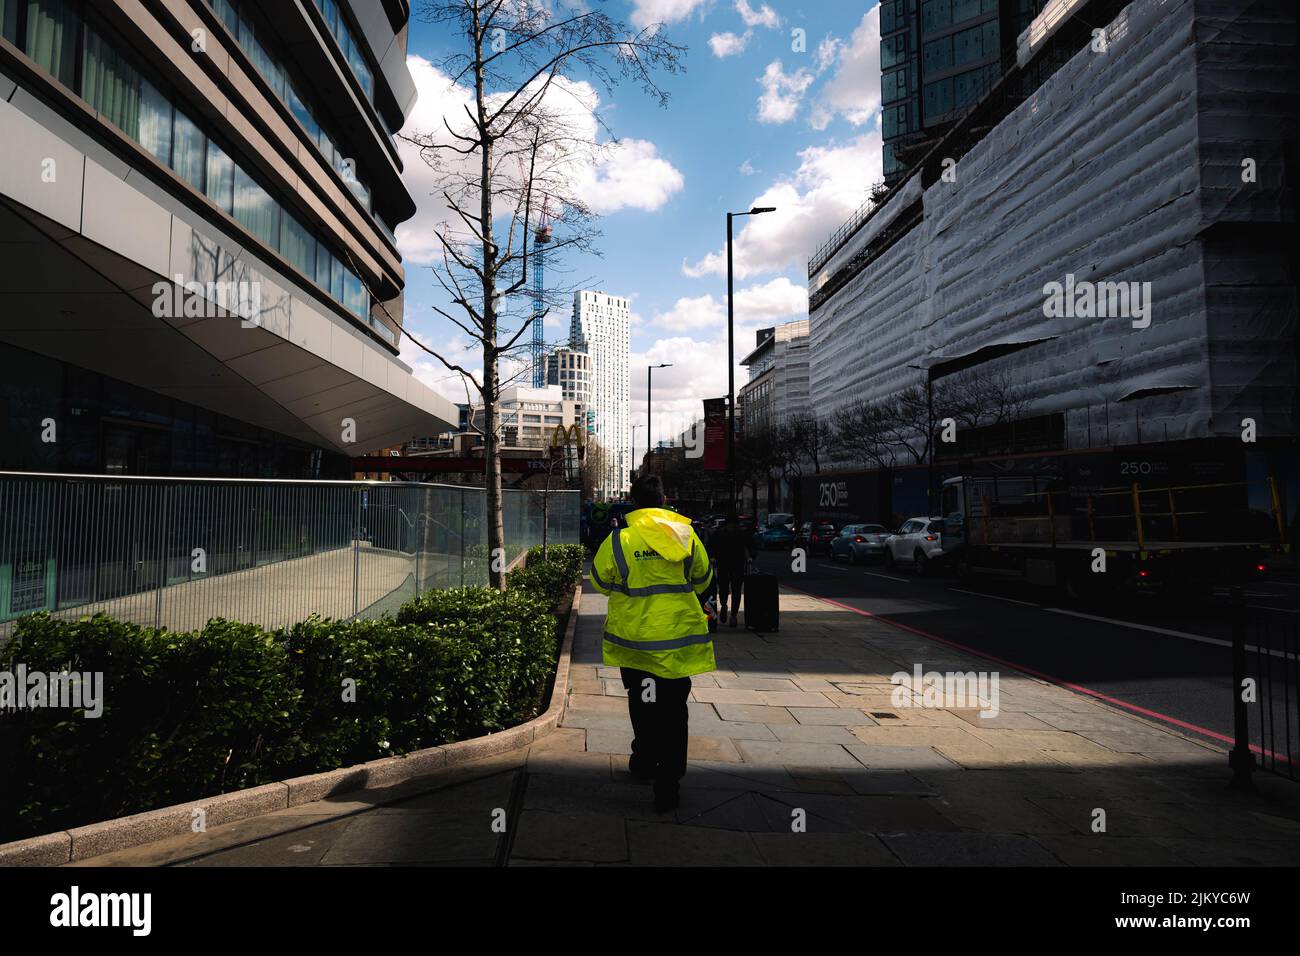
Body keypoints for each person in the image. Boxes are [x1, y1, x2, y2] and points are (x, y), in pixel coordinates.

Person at [590, 475, 715, 813]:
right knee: (674, 714)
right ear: (664, 500)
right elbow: (703, 579)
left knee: (643, 704)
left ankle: (644, 760)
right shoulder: (686, 536)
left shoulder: (620, 540)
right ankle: (668, 785)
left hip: (636, 645)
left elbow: (600, 581)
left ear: (633, 501)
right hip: (676, 645)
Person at [708, 510, 755, 627]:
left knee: (723, 588)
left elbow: (710, 546)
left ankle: (724, 605)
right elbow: (751, 546)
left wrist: (712, 557)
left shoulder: (719, 533)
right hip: (738, 564)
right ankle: (733, 615)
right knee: (736, 590)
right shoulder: (742, 533)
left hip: (722, 563)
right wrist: (750, 557)